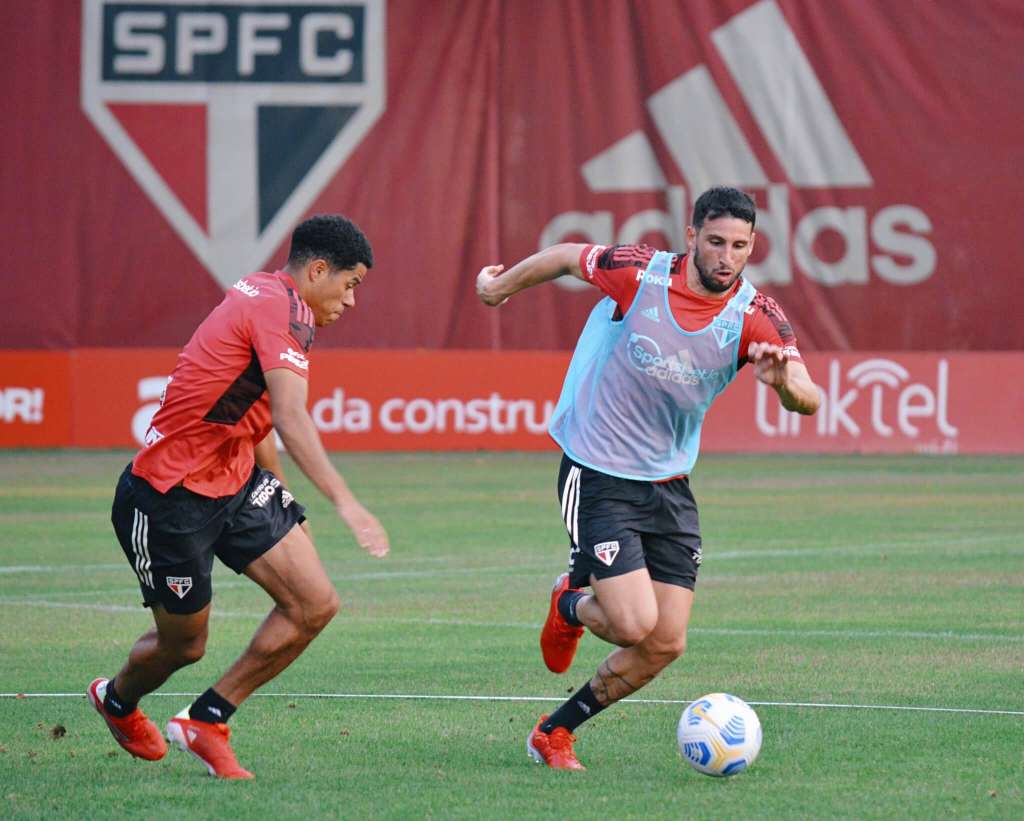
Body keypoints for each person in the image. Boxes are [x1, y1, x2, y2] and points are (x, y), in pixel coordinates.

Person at [475, 186, 820, 770]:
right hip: (598, 470)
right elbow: (565, 256)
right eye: (714, 242)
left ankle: (553, 731)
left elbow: (810, 398)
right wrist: (498, 288)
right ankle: (571, 604)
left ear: (752, 246)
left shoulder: (755, 316)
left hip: (670, 486)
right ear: (691, 238)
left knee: (665, 642)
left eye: (738, 246)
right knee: (634, 624)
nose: (725, 257)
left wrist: (784, 381)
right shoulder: (640, 274)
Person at [89, 214, 389, 779]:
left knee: (314, 602)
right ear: (318, 270)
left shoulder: (270, 294)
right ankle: (117, 699)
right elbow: (291, 418)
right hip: (168, 496)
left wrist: (281, 496)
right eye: (350, 285)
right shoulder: (283, 309)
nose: (351, 301)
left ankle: (207, 719)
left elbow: (256, 417)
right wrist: (348, 504)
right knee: (183, 646)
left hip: (235, 475)